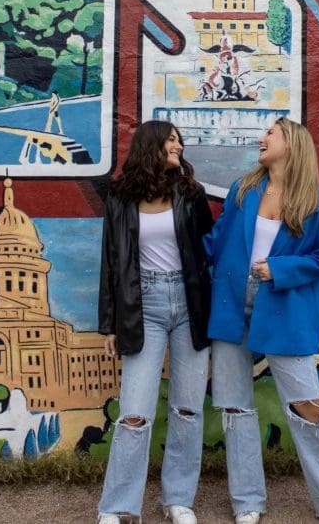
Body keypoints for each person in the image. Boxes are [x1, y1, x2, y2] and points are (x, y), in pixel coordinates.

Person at [205, 117, 319, 524]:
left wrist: (278, 269)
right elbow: (217, 241)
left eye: (271, 133)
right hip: (231, 304)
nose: (262, 138)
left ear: (292, 144)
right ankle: (247, 502)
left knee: (308, 405)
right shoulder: (243, 190)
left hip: (283, 304)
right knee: (235, 408)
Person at [97, 120, 213, 524]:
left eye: (179, 140)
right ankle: (117, 506)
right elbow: (111, 261)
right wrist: (109, 324)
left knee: (188, 409)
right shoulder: (119, 196)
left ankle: (178, 499)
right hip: (141, 305)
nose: (178, 145)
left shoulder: (191, 193)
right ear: (152, 145)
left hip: (189, 303)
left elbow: (208, 251)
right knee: (134, 413)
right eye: (171, 139)